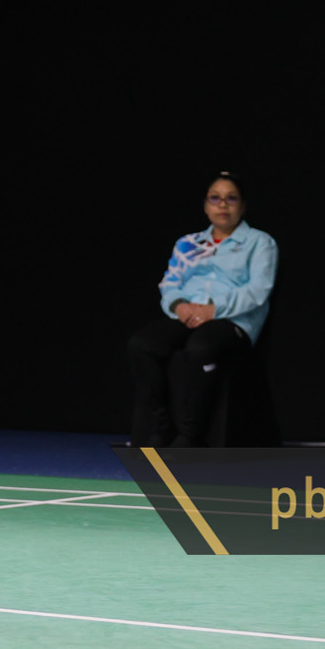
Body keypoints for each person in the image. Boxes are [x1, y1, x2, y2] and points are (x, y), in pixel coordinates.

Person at [126, 172, 277, 447]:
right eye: (215, 198)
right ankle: (160, 426)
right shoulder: (188, 243)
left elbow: (258, 290)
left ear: (242, 206)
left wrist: (213, 310)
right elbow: (170, 283)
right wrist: (180, 306)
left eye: (231, 198)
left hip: (232, 320)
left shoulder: (260, 242)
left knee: (200, 348)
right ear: (206, 205)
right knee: (141, 345)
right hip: (188, 314)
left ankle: (189, 435)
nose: (223, 204)